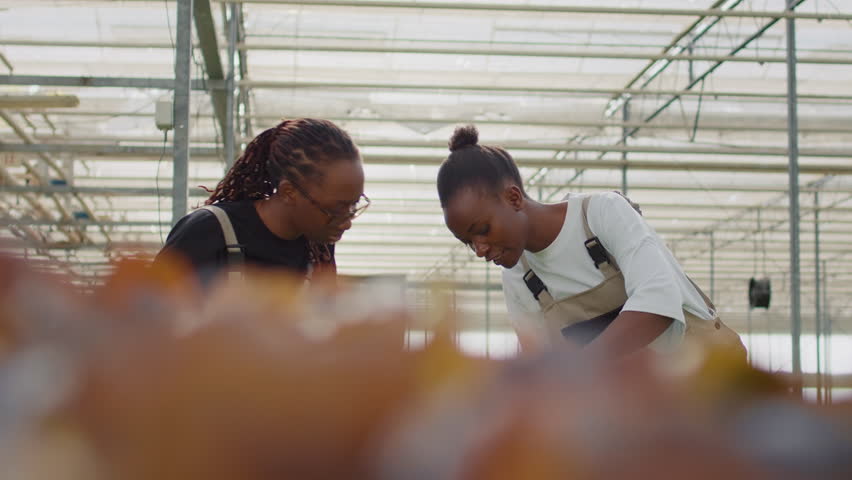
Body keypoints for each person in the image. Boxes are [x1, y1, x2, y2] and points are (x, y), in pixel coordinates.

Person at [437, 125, 745, 358]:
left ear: (513, 197)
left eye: (483, 229)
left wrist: (580, 370)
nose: (479, 249)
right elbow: (541, 362)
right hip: (645, 410)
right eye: (468, 241)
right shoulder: (519, 277)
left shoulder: (601, 214)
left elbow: (658, 304)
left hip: (712, 384)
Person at [156, 118, 369, 286]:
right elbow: (145, 320)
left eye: (354, 206)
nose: (347, 221)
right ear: (289, 192)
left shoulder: (317, 250)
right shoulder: (210, 230)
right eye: (335, 209)